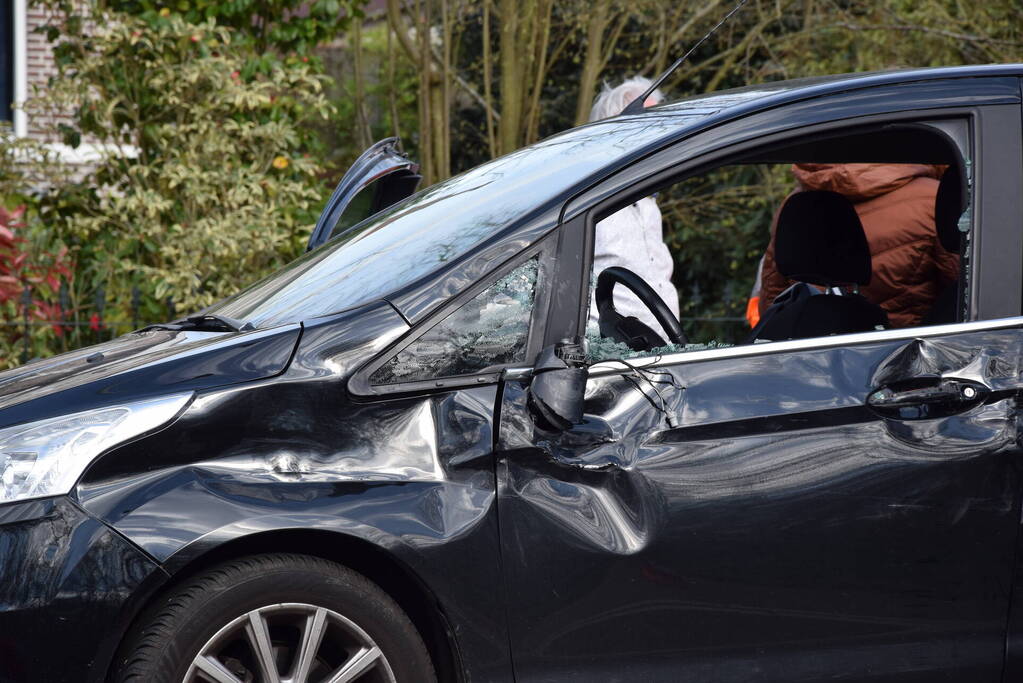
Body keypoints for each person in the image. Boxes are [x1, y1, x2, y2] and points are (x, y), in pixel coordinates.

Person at [756, 163, 959, 329]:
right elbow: (961, 296)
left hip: (804, 359)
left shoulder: (798, 205)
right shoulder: (932, 200)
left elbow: (772, 296)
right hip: (908, 363)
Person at [587, 77, 680, 337]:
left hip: (663, 348)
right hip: (608, 353)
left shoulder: (648, 204)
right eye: (649, 125)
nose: (661, 136)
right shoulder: (589, 206)